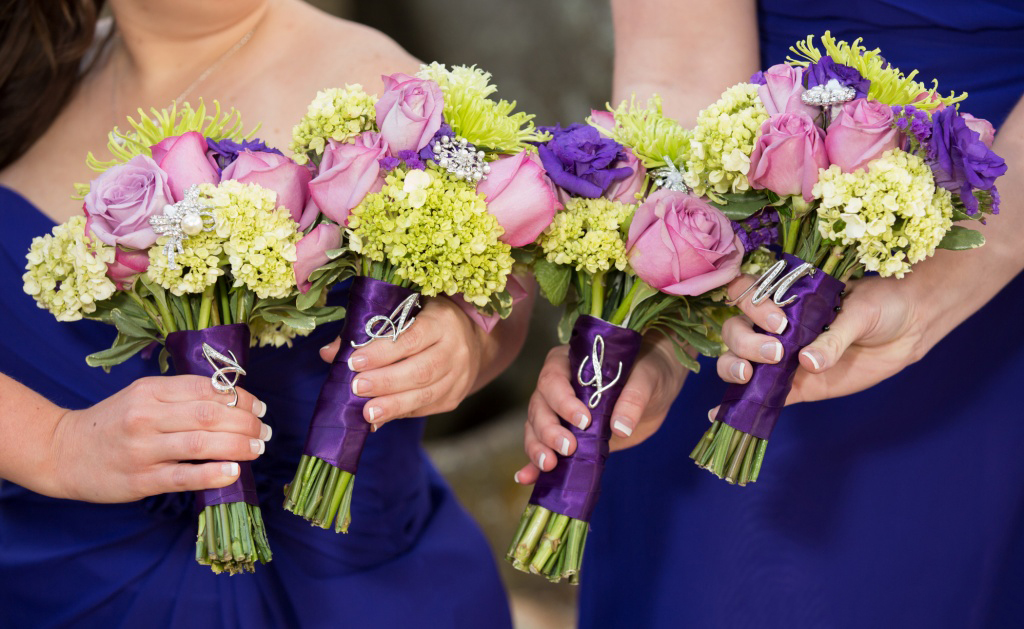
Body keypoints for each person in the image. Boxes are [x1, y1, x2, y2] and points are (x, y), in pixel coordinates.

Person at [0, 1, 529, 626]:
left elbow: (502, 274)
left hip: (350, 594)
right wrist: (54, 447)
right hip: (50, 580)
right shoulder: (31, 68)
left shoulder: (381, 87)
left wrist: (467, 342)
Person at [517, 1, 1024, 626]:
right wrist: (663, 323)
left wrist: (935, 290)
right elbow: (680, 63)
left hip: (998, 242)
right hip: (752, 226)